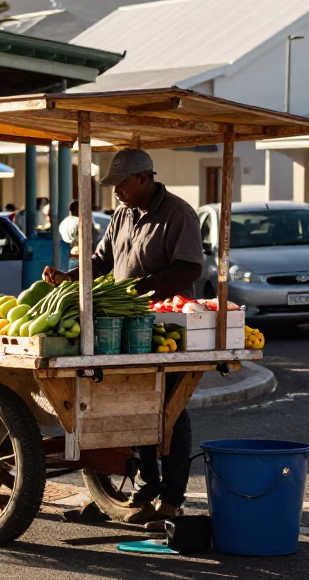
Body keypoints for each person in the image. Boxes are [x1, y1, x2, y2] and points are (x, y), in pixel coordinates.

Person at [43, 149, 202, 524]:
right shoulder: (122, 215)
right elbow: (101, 262)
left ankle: (172, 498)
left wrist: (138, 289)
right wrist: (71, 277)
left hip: (166, 326)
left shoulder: (179, 214)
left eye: (122, 184)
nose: (116, 191)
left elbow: (189, 269)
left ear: (145, 178)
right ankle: (144, 490)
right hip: (121, 326)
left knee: (169, 412)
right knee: (130, 405)